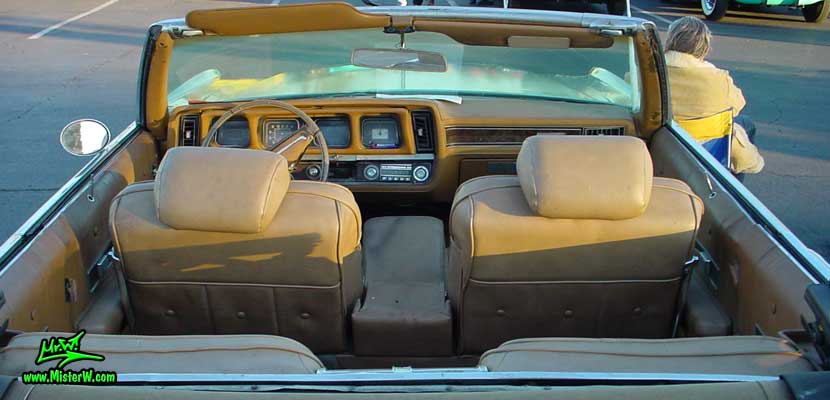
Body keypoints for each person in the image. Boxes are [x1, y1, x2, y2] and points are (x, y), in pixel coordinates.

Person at [664, 16, 764, 178]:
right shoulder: (717, 78)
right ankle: (733, 189)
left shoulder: (646, 71)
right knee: (746, 124)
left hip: (662, 144)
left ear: (670, 41)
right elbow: (737, 105)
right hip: (705, 146)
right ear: (704, 48)